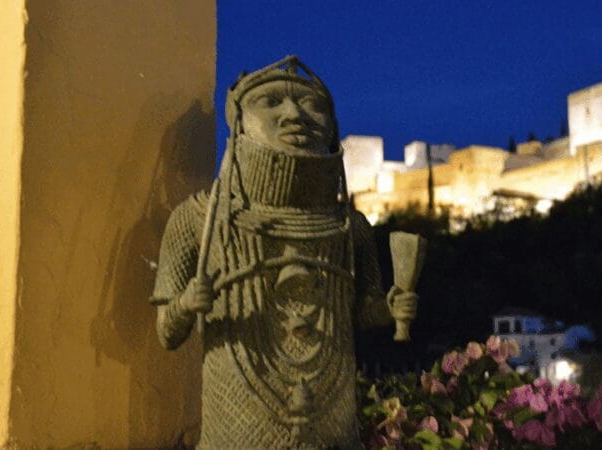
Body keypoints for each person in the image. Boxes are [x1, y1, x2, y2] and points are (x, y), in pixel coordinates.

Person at [150, 55, 417, 449]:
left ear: (332, 128)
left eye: (314, 105)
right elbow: (167, 332)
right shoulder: (197, 219)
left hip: (332, 433)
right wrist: (188, 302)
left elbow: (363, 313)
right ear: (238, 123)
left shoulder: (350, 227)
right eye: (271, 101)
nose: (295, 114)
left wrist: (391, 307)